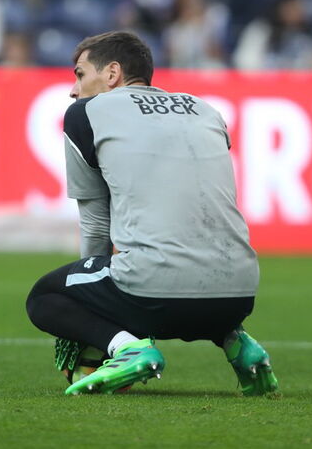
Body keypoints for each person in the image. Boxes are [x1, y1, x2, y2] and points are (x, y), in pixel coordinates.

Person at [25, 30, 278, 396]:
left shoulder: (85, 113)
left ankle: (125, 350)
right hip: (239, 296)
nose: (73, 90)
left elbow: (96, 224)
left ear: (112, 74)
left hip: (155, 293)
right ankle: (236, 343)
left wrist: (95, 315)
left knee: (44, 298)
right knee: (185, 275)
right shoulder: (205, 109)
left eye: (80, 74)